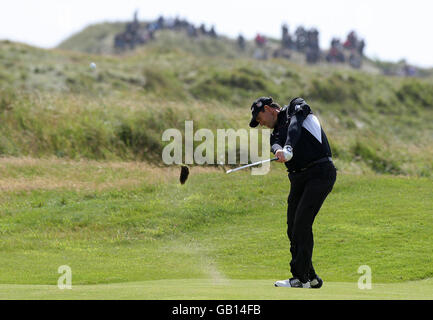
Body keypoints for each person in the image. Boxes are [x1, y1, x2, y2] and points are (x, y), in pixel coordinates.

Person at [249, 96, 337, 288]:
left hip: (319, 172)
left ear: (268, 109)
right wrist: (279, 150)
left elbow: (295, 126)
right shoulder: (275, 134)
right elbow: (275, 145)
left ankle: (300, 278)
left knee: (302, 223)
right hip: (298, 178)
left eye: (260, 118)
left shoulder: (296, 107)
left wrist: (288, 147)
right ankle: (311, 276)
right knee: (292, 227)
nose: (261, 123)